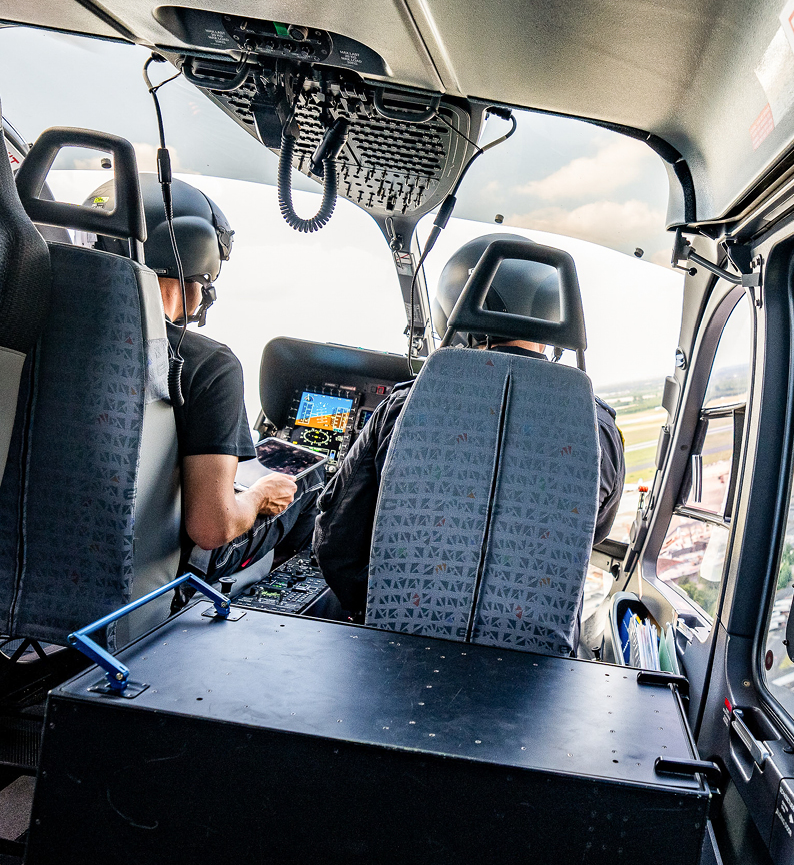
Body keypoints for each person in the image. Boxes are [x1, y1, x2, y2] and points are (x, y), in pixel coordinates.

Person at [313, 232, 625, 619]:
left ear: (458, 312)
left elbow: (337, 544)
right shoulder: (600, 430)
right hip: (533, 660)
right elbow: (589, 536)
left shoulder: (403, 408)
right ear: (552, 319)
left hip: (398, 644)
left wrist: (384, 613)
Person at [87, 177, 319, 577]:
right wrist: (261, 495)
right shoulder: (210, 365)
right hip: (138, 585)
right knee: (309, 483)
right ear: (197, 257)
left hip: (23, 577)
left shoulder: (31, 333)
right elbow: (212, 527)